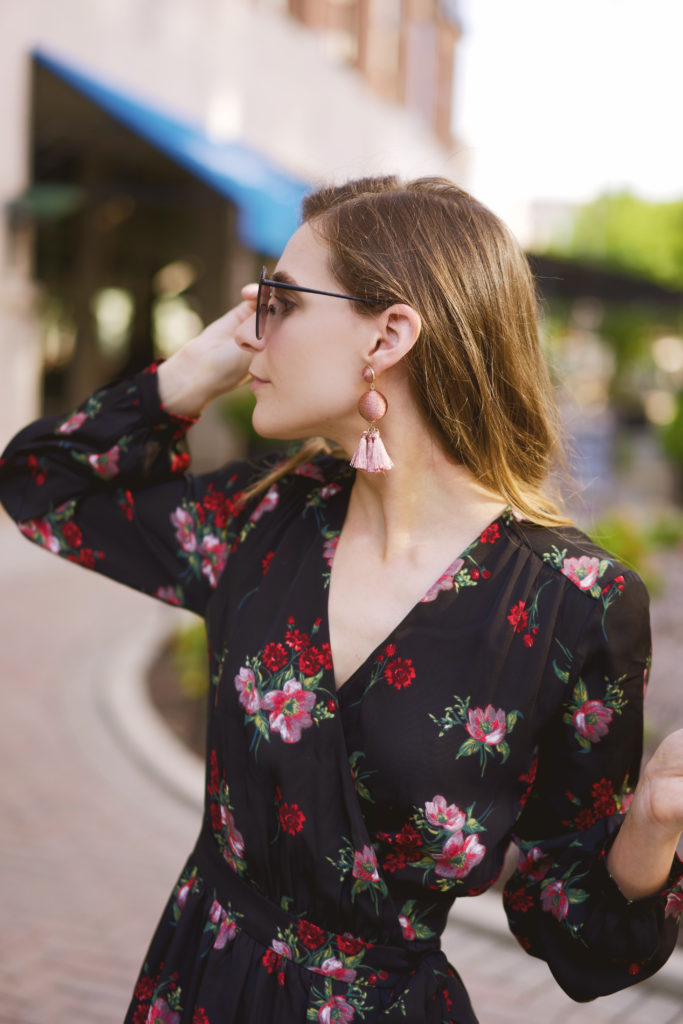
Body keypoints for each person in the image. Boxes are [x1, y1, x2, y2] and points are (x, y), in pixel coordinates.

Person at [1, 175, 682, 1024]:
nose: (253, 330)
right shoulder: (267, 515)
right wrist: (192, 370)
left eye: (279, 300)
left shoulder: (574, 603)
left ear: (390, 333)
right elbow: (44, 489)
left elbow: (586, 947)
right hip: (198, 986)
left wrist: (651, 828)